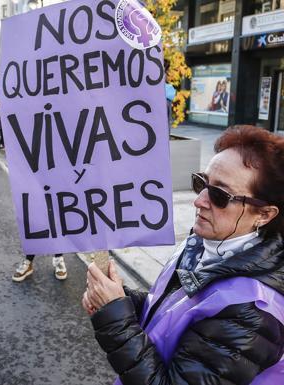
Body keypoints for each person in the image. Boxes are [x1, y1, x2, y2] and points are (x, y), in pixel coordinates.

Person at [83, 125, 284, 385]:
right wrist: (120, 300)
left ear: (264, 214)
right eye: (201, 182)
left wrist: (116, 318)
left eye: (219, 195)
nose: (199, 200)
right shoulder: (206, 242)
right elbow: (173, 312)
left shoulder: (253, 314)